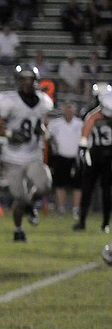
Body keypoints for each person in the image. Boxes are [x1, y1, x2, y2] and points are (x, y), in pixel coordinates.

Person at [0, 65, 54, 242]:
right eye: (24, 79)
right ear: (18, 81)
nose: (27, 83)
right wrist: (11, 134)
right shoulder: (8, 100)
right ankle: (18, 229)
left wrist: (42, 131)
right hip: (12, 158)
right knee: (19, 197)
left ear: (35, 81)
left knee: (45, 185)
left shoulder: (43, 101)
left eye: (30, 79)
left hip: (34, 155)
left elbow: (41, 124)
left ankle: (30, 203)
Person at [74, 85, 112, 233]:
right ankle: (104, 224)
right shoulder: (95, 114)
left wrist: (82, 149)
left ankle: (84, 222)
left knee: (91, 189)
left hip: (96, 153)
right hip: (105, 154)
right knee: (103, 190)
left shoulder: (91, 114)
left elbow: (85, 133)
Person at [47, 103, 83, 219]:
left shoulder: (80, 124)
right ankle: (61, 208)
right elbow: (48, 138)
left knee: (77, 185)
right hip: (61, 157)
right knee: (60, 184)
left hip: (75, 157)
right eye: (67, 111)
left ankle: (76, 209)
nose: (69, 113)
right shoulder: (55, 124)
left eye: (71, 111)